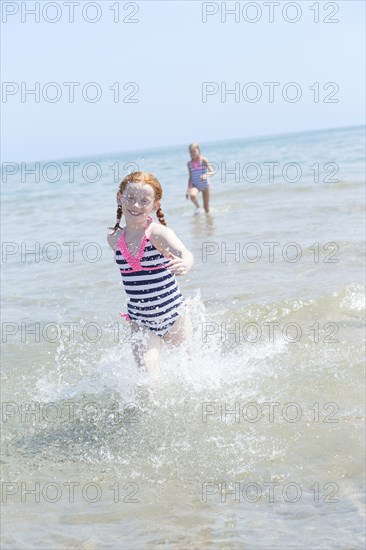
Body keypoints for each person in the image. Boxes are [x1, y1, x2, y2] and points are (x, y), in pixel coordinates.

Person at [107, 171, 194, 374]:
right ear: (120, 198)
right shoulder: (114, 239)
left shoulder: (157, 233)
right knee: (147, 378)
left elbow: (185, 252)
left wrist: (185, 264)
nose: (136, 205)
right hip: (141, 321)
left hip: (174, 315)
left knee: (190, 371)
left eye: (144, 201)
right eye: (131, 198)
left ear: (154, 206)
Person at [186, 142, 215, 214]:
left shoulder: (203, 160)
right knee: (192, 196)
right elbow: (190, 177)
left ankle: (209, 222)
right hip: (195, 185)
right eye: (191, 152)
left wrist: (206, 175)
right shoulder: (189, 164)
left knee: (206, 208)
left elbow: (212, 172)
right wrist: (188, 189)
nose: (192, 153)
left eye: (194, 151)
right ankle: (198, 207)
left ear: (198, 150)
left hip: (205, 185)